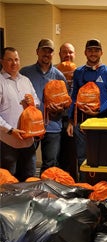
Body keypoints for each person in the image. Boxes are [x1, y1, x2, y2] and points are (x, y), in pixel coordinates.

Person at [67, 39, 107, 181]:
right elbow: (74, 96)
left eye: (96, 50)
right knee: (82, 157)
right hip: (81, 122)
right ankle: (84, 187)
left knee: (101, 156)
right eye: (90, 50)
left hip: (100, 121)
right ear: (85, 52)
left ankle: (100, 187)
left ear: (101, 52)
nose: (93, 53)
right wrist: (71, 121)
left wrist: (99, 110)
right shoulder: (78, 72)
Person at [20, 39, 67, 175]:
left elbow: (65, 103)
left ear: (53, 54)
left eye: (50, 51)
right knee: (27, 162)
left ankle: (46, 194)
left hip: (53, 126)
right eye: (44, 50)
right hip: (31, 126)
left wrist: (60, 108)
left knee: (50, 164)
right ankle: (27, 192)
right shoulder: (25, 72)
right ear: (37, 52)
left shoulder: (59, 76)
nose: (47, 53)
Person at [0, 47, 40, 181]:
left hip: (28, 142)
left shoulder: (25, 80)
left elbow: (37, 102)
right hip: (7, 143)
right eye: (9, 60)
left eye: (16, 59)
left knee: (29, 181)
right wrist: (10, 130)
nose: (14, 63)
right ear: (2, 61)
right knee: (8, 185)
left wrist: (32, 102)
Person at [56, 42, 78, 180]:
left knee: (72, 155)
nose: (67, 55)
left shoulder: (79, 72)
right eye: (64, 52)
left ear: (74, 54)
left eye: (70, 52)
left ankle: (72, 183)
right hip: (55, 119)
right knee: (56, 155)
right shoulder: (54, 72)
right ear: (59, 54)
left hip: (73, 120)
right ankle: (57, 183)